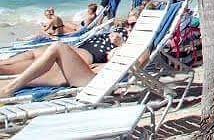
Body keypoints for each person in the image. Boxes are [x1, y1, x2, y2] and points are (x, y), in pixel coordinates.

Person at [0, 24, 130, 97]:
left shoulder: (135, 47)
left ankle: (9, 89)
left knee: (58, 47)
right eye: (129, 24)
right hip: (93, 73)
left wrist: (121, 46)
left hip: (96, 81)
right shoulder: (128, 43)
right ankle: (7, 86)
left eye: (133, 24)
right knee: (43, 70)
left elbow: (136, 66)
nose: (129, 27)